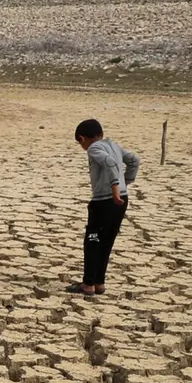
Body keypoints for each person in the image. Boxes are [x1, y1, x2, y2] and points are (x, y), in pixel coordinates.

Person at [69, 118, 139, 296]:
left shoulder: (94, 148)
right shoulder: (114, 145)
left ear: (82, 139)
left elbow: (109, 163)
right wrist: (126, 182)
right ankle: (99, 282)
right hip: (121, 200)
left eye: (80, 143)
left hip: (104, 201)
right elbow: (134, 160)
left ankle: (88, 284)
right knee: (106, 241)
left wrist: (115, 187)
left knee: (92, 240)